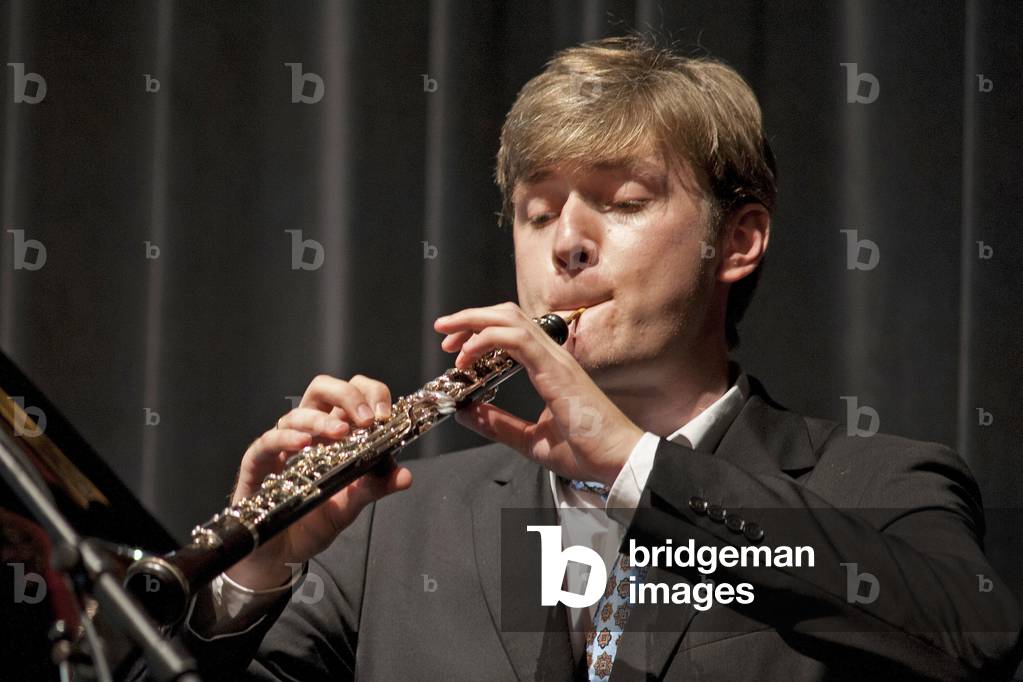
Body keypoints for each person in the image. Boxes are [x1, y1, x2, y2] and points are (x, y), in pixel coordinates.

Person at [168, 36, 1022, 680]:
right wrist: (257, 569)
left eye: (622, 201)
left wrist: (633, 467)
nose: (568, 243)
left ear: (738, 239)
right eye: (537, 214)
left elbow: (974, 642)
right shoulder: (395, 526)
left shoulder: (877, 486)